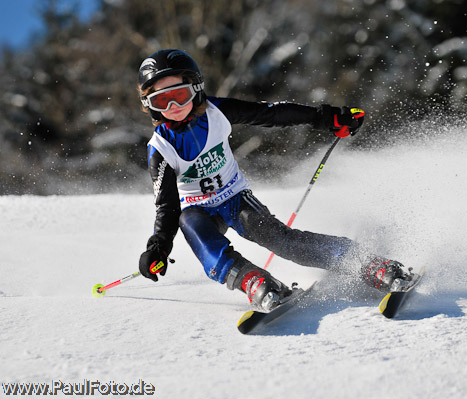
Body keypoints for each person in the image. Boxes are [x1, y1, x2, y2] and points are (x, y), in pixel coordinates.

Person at [137, 49, 410, 311]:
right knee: (192, 228)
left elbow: (271, 114)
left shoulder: (216, 111)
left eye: (180, 96)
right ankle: (253, 281)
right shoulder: (160, 148)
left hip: (234, 199)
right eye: (161, 101)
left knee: (283, 242)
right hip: (197, 210)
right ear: (150, 106)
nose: (173, 107)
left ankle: (369, 263)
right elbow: (167, 206)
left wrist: (325, 117)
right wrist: (158, 247)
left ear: (196, 89)